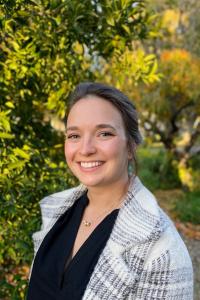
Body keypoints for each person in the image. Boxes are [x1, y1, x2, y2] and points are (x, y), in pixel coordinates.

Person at [27, 82, 193, 299]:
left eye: (104, 134)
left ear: (131, 146)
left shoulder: (162, 248)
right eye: (74, 135)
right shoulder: (59, 211)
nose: (85, 149)